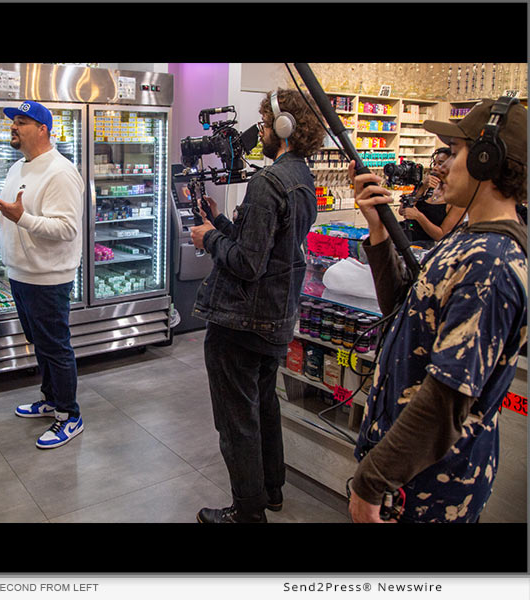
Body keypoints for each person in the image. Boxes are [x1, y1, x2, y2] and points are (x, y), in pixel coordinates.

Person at [347, 97, 527, 523]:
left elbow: (445, 400)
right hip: (410, 474)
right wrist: (378, 231)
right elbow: (403, 312)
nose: (441, 165)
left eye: (456, 153)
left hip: (430, 488)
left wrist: (372, 480)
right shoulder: (467, 238)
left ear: (488, 161)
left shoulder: (491, 262)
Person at [190, 88, 326, 523]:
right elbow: (268, 247)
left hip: (242, 323)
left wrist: (207, 238)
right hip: (276, 318)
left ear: (283, 130)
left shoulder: (267, 183)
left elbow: (247, 263)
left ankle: (247, 513)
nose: (260, 133)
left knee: (237, 420)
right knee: (264, 406)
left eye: (265, 125)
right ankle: (271, 491)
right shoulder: (301, 178)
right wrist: (222, 222)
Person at [0, 100, 85, 449]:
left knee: (55, 347)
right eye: (13, 121)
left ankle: (69, 415)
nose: (14, 126)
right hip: (20, 272)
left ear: (43, 129)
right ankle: (51, 400)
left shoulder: (61, 171)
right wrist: (0, 217)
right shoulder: (17, 169)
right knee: (40, 343)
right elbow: (19, 213)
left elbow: (67, 228)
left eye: (22, 122)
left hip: (48, 276)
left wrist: (19, 219)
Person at [398, 147, 466, 243]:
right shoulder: (427, 187)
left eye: (440, 164)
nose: (435, 167)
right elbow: (402, 210)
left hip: (427, 248)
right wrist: (421, 189)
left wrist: (418, 216)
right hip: (406, 239)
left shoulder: (458, 199)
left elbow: (442, 235)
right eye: (435, 163)